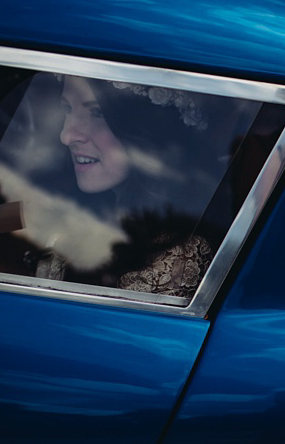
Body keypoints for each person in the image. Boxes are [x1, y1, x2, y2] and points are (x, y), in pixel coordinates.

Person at [56, 75, 214, 299]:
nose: (66, 135)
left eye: (98, 112)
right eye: (66, 109)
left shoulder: (175, 257)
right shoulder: (57, 198)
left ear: (145, 129)